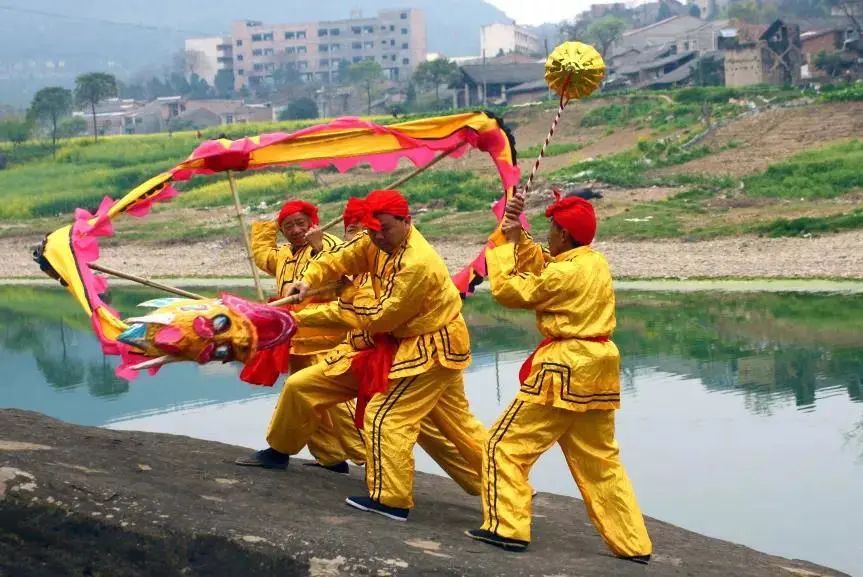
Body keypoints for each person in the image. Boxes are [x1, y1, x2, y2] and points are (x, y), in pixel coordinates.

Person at [266, 189, 486, 521]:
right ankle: (279, 450)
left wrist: (302, 316)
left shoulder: (417, 265)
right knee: (303, 386)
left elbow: (380, 317)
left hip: (425, 350)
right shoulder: (372, 241)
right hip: (378, 343)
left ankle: (393, 500)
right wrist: (306, 280)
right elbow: (340, 259)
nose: (376, 237)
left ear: (406, 221)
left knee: (389, 418)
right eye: (368, 230)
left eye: (384, 229)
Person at [465, 192, 652, 563]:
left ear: (564, 234)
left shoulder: (566, 272)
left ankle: (508, 528)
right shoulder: (593, 262)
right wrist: (518, 234)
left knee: (503, 446)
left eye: (552, 230)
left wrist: (501, 245)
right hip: (599, 367)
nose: (549, 236)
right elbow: (547, 266)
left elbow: (511, 290)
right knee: (601, 461)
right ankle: (632, 543)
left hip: (564, 367)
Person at [235, 199, 365, 473]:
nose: (295, 230)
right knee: (307, 401)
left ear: (312, 223)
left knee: (336, 403)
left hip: (328, 337)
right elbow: (261, 254)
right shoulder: (283, 255)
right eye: (288, 226)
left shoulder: (328, 244)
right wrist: (270, 224)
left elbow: (348, 267)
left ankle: (370, 454)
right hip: (296, 337)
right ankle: (331, 457)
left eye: (300, 223)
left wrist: (318, 245)